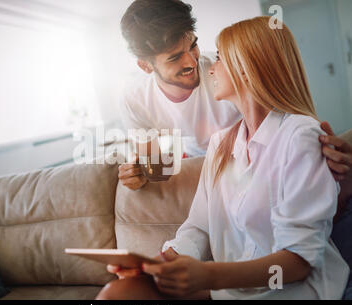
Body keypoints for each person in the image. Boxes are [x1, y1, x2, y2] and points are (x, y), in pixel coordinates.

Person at [97, 16, 350, 300]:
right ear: (147, 65)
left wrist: (208, 276)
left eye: (218, 57)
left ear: (247, 68)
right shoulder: (219, 145)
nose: (205, 66)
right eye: (176, 57)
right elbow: (198, 226)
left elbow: (299, 262)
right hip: (231, 290)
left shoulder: (299, 135)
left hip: (294, 290)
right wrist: (159, 264)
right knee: (120, 293)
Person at [117, 0, 352, 211]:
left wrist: (316, 147)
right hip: (203, 163)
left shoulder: (224, 71)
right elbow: (157, 168)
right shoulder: (135, 99)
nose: (192, 61)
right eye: (175, 57)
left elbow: (285, 125)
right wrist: (140, 174)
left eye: (193, 45)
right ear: (146, 67)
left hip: (252, 154)